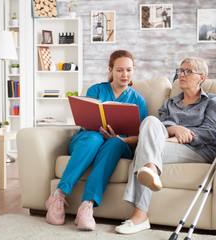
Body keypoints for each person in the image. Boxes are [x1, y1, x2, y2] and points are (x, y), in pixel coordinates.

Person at [115, 57, 216, 234]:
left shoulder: (211, 101)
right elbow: (159, 129)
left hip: (199, 150)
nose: (181, 75)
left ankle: (140, 215)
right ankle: (151, 169)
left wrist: (180, 137)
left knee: (145, 147)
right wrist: (175, 129)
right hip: (167, 144)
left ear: (201, 78)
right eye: (180, 71)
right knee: (149, 121)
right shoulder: (169, 103)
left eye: (188, 71)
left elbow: (211, 132)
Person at [45, 50, 148, 231]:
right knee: (93, 138)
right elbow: (85, 122)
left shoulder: (138, 100)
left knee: (114, 143)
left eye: (129, 70)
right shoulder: (96, 90)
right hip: (88, 138)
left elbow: (140, 137)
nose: (125, 75)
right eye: (119, 70)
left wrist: (118, 138)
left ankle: (87, 206)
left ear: (133, 71)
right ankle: (58, 195)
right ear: (110, 70)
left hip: (118, 145)